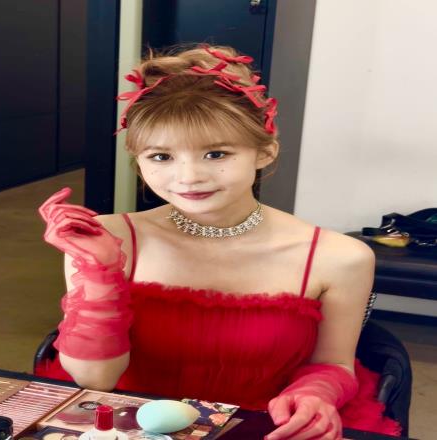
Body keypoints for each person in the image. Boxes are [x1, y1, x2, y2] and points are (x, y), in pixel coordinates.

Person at [38, 45, 402, 439]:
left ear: (265, 151)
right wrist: (99, 272)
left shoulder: (339, 256)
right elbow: (96, 380)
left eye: (216, 154)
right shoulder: (108, 238)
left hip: (263, 426)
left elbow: (334, 363)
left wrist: (316, 392)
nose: (188, 177)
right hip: (132, 425)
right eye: (161, 157)